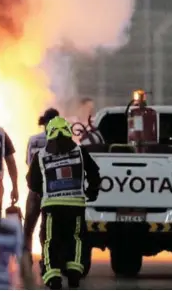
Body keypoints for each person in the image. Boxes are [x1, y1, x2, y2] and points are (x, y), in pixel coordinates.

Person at [26, 116, 101, 289]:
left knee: (50, 240)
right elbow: (94, 173)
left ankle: (53, 277)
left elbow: (32, 182)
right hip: (75, 205)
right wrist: (92, 192)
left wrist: (43, 192)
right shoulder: (80, 151)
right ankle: (74, 274)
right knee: (76, 239)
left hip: (51, 207)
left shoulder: (41, 155)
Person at [23, 108, 59, 264]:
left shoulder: (34, 140)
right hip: (53, 190)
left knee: (28, 226)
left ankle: (26, 257)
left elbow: (28, 162)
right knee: (47, 227)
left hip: (35, 189)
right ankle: (47, 257)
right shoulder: (63, 141)